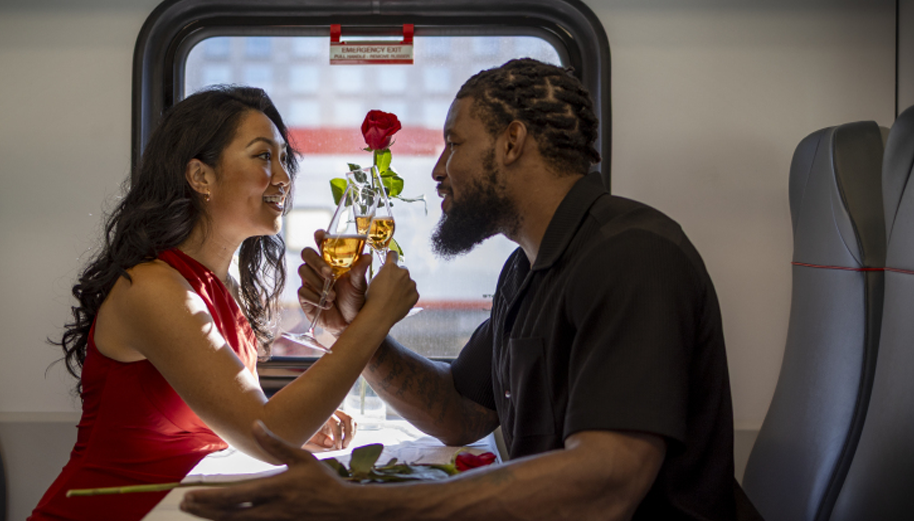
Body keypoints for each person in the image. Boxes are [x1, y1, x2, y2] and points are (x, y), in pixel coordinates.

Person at [181, 60, 750, 520]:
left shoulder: (632, 256)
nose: (437, 169)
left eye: (453, 143)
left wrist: (372, 505)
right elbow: (461, 412)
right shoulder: (525, 270)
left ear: (511, 143)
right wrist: (360, 338)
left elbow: (606, 482)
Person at [29, 86, 419, 521]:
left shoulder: (223, 288)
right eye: (262, 156)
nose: (284, 178)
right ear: (201, 177)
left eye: (283, 160)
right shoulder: (156, 289)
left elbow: (238, 422)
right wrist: (375, 320)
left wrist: (299, 429)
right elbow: (268, 433)